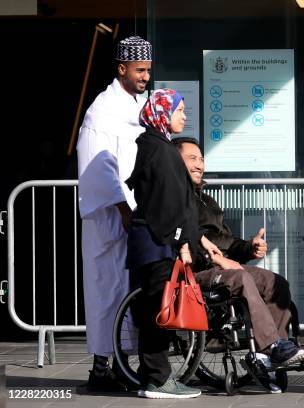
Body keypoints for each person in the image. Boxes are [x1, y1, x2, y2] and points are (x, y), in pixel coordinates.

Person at [172, 137, 304, 371]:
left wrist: (248, 247)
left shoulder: (207, 201)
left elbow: (226, 241)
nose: (199, 165)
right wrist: (213, 257)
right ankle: (272, 346)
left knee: (275, 283)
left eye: (202, 159)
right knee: (241, 279)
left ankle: (276, 351)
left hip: (223, 268)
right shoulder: (171, 198)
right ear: (175, 162)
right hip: (195, 272)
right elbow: (180, 235)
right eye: (192, 158)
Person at [76, 35, 152, 391]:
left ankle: (121, 365)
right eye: (139, 70)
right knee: (107, 290)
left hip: (134, 214)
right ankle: (101, 369)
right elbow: (98, 163)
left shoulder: (138, 105)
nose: (145, 76)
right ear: (121, 68)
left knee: (128, 292)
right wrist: (121, 205)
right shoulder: (102, 109)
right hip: (110, 217)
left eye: (148, 69)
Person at [125, 89, 202, 399]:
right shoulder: (162, 151)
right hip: (158, 244)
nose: (184, 116)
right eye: (179, 110)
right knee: (159, 311)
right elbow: (169, 204)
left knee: (152, 311)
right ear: (162, 112)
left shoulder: (154, 146)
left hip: (151, 243)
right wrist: (182, 241)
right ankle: (158, 380)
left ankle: (152, 377)